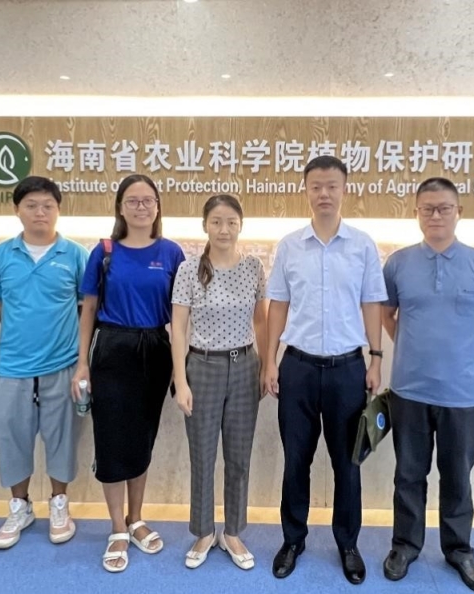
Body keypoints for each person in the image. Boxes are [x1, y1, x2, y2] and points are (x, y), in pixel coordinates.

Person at [381, 177, 474, 592]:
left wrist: (467, 351)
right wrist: (412, 348)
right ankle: (405, 545)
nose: (436, 215)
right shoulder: (398, 264)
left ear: (458, 212)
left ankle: (459, 550)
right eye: (428, 208)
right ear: (417, 213)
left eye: (444, 208)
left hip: (463, 394)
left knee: (457, 477)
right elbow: (386, 315)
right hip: (409, 390)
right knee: (409, 475)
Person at [264, 155, 387, 585]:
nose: (324, 194)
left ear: (344, 190)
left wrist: (376, 358)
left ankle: (347, 544)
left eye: (332, 186)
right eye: (316, 186)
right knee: (295, 460)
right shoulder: (289, 246)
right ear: (305, 191)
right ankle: (292, 539)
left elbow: (372, 302)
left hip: (347, 369)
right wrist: (270, 361)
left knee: (347, 463)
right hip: (296, 367)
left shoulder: (363, 245)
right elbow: (278, 305)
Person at [73, 174, 185, 573]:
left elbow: (181, 315)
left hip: (156, 349)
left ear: (158, 206)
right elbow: (88, 309)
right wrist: (82, 363)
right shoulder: (104, 252)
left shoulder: (172, 253)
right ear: (120, 207)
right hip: (112, 348)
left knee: (142, 437)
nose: (141, 207)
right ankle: (117, 528)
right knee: (111, 439)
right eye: (133, 200)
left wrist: (182, 367)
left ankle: (136, 519)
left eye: (148, 200)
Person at [0, 176, 89, 550]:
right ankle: (20, 506)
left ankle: (59, 503)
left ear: (58, 210)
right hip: (12, 366)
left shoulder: (75, 255)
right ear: (17, 210)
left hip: (63, 365)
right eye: (31, 205)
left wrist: (80, 362)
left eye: (48, 205)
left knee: (62, 438)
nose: (40, 212)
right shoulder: (0, 256)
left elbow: (85, 309)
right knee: (11, 437)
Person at [171, 194, 268, 570]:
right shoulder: (189, 269)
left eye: (231, 222)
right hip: (203, 366)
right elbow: (179, 328)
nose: (224, 229)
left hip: (245, 366)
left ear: (240, 225)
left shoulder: (253, 267)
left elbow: (260, 320)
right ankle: (203, 532)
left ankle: (232, 532)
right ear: (205, 226)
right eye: (216, 222)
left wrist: (265, 366)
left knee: (239, 457)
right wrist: (181, 381)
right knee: (202, 455)